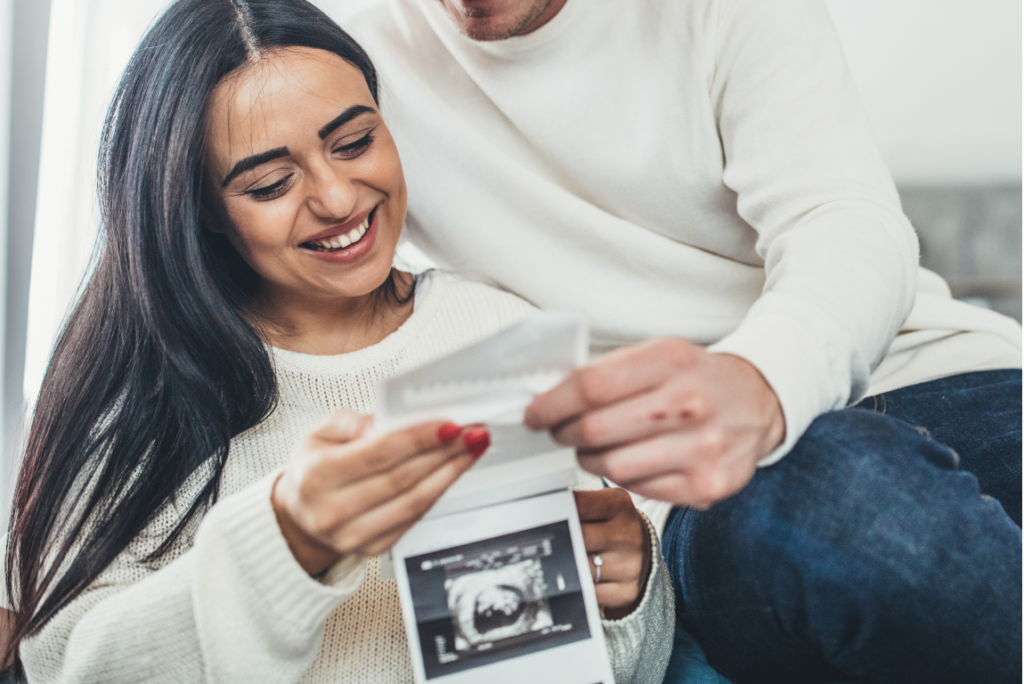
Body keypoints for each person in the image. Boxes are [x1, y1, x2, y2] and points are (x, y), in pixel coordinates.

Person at [344, 0, 1023, 681]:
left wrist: (759, 380)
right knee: (850, 499)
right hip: (694, 491)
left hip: (929, 371)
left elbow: (842, 218)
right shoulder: (355, 63)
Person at [0, 1, 674, 681]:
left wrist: (629, 595)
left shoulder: (497, 335)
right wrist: (288, 539)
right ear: (200, 207)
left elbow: (590, 664)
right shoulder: (137, 395)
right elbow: (72, 666)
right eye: (270, 183)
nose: (338, 198)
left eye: (354, 143)